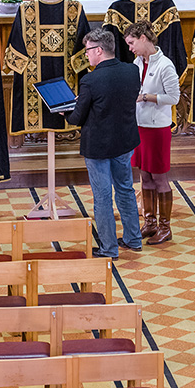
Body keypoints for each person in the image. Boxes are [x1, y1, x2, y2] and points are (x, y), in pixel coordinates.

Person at [68, 29, 141, 258]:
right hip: (124, 141)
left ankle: (109, 248)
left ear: (99, 50)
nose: (87, 56)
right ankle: (133, 239)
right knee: (125, 190)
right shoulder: (132, 71)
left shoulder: (90, 80)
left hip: (98, 147)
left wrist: (67, 112)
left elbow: (77, 118)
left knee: (102, 198)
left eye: (88, 50)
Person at [125, 21, 180, 245]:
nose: (130, 48)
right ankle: (150, 223)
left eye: (132, 43)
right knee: (144, 175)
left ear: (143, 38)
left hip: (157, 129)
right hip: (139, 125)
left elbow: (174, 98)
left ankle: (165, 227)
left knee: (159, 177)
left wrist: (147, 97)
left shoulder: (165, 65)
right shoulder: (137, 62)